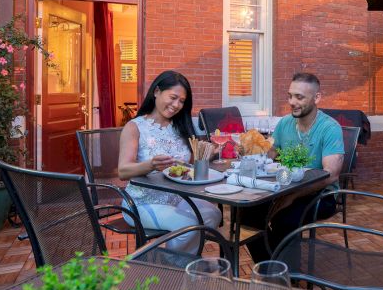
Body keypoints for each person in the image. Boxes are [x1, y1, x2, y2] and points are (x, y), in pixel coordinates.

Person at [243, 72, 345, 262]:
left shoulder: (330, 128)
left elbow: (330, 175)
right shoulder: (285, 123)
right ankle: (271, 268)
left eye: (299, 97)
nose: (292, 101)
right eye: (290, 95)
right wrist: (249, 150)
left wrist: (294, 195)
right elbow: (270, 154)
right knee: (247, 213)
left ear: (317, 98)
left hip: (321, 195)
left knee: (285, 219)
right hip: (284, 188)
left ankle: (284, 271)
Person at [118, 70, 222, 254]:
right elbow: (123, 171)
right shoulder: (135, 127)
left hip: (177, 199)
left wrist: (209, 153)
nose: (176, 105)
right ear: (157, 91)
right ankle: (173, 271)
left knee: (213, 214)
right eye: (173, 97)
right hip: (141, 202)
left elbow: (189, 164)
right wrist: (151, 165)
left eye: (181, 101)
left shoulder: (179, 127)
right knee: (189, 226)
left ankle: (181, 263)